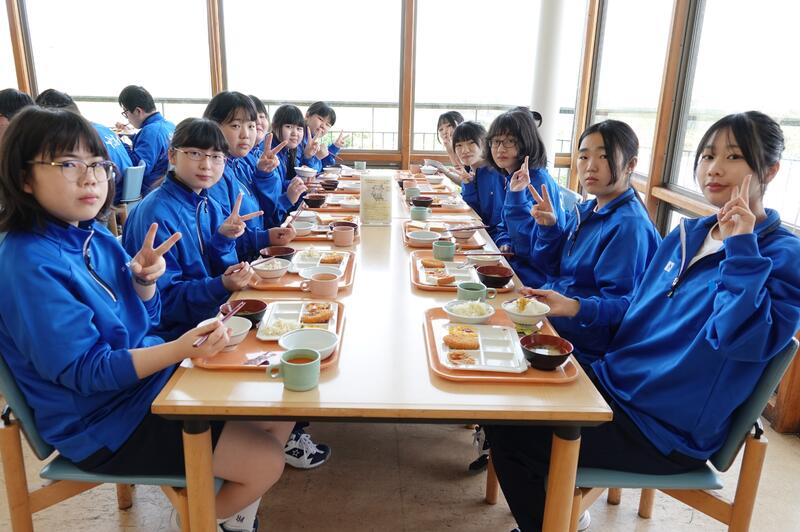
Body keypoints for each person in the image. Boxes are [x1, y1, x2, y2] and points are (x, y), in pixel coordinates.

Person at [485, 111, 800, 532]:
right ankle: (549, 518)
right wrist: (575, 308)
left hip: (664, 428)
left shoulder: (783, 257)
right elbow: (633, 309)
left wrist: (742, 247)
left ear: (771, 170)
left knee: (512, 431)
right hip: (615, 384)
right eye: (707, 156)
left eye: (734, 156)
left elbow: (740, 340)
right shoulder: (687, 235)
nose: (714, 168)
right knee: (504, 396)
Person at [0, 107, 293, 532]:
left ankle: (228, 516)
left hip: (145, 386)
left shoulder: (94, 233)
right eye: (68, 164)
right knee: (265, 461)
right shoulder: (27, 262)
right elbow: (86, 372)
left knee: (278, 410)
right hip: (103, 422)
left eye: (97, 165)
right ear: (23, 177)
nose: (91, 178)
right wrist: (179, 348)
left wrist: (143, 285)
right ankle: (197, 519)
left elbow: (146, 319)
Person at [517, 120, 661, 366]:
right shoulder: (587, 209)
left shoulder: (628, 226)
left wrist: (573, 307)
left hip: (582, 351)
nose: (591, 166)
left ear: (630, 165)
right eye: (584, 157)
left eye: (604, 156)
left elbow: (624, 308)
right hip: (555, 325)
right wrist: (549, 228)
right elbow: (552, 267)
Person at [122, 118, 258, 340]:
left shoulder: (208, 203)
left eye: (216, 157)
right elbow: (164, 302)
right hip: (176, 335)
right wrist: (220, 285)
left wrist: (223, 240)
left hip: (211, 315)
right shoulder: (155, 214)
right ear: (172, 155)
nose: (206, 165)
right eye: (195, 153)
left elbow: (219, 270)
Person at [203, 91, 295, 260]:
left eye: (251, 126)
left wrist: (265, 175)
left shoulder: (244, 162)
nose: (246, 134)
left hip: (257, 256)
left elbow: (266, 212)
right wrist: (264, 238)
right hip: (240, 266)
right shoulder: (211, 175)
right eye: (235, 126)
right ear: (213, 127)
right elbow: (220, 239)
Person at [487, 108, 565, 287]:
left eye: (510, 141)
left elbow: (533, 249)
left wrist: (516, 198)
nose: (500, 149)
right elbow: (504, 224)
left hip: (535, 278)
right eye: (496, 141)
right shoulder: (515, 177)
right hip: (517, 265)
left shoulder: (535, 182)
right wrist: (504, 241)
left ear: (526, 143)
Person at [34, 88, 133, 204]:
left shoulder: (82, 137)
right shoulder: (103, 129)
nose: (89, 179)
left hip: (112, 195)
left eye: (69, 164)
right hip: (126, 190)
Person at [450, 120, 511, 249]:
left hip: (496, 241)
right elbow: (474, 213)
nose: (464, 150)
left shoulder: (495, 172)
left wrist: (502, 242)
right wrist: (468, 185)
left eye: (471, 143)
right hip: (480, 235)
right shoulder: (472, 171)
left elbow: (498, 219)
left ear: (484, 143)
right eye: (459, 145)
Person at [253, 104, 310, 228]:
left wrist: (295, 184)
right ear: (274, 126)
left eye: (299, 128)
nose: (295, 133)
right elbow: (269, 210)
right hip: (273, 225)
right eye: (289, 127)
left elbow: (279, 184)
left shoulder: (287, 151)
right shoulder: (268, 154)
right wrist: (288, 198)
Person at [117, 85, 175, 195]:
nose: (127, 118)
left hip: (149, 191)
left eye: (126, 113)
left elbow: (136, 168)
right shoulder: (169, 125)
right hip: (165, 185)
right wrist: (131, 136)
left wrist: (119, 143)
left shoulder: (150, 132)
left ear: (138, 111)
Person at [303, 101, 349, 169]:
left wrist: (335, 146)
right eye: (320, 119)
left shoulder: (312, 139)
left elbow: (324, 165)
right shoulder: (298, 138)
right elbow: (302, 171)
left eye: (327, 125)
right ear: (307, 116)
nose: (323, 126)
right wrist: (316, 158)